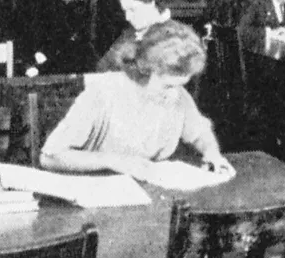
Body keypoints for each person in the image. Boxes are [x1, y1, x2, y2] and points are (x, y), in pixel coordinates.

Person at [41, 19, 233, 181]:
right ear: (145, 69)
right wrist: (113, 161)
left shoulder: (177, 95)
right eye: (167, 85)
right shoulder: (103, 94)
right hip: (93, 194)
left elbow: (199, 133)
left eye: (181, 84)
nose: (174, 93)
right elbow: (50, 157)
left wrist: (211, 152)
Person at [94, 0, 171, 72]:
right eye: (125, 11)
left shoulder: (168, 40)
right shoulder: (130, 33)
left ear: (152, 3)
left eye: (132, 10)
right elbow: (103, 69)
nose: (128, 17)